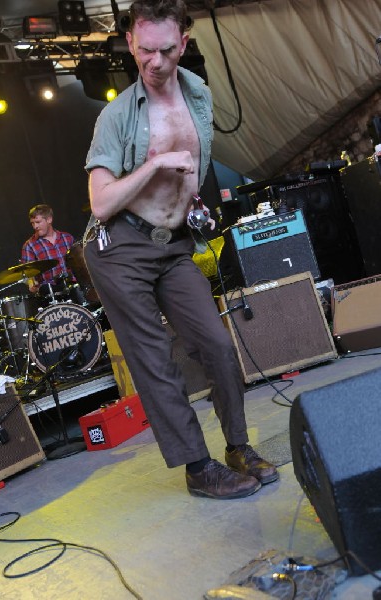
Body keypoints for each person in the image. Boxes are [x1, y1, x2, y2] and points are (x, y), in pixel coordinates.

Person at [83, 0, 278, 499]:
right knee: (155, 359)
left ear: (183, 45)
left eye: (166, 50)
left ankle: (238, 446)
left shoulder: (199, 96)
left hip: (172, 246)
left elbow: (191, 171)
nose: (154, 61)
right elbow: (101, 201)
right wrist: (154, 165)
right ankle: (198, 467)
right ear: (130, 42)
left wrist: (190, 207)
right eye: (144, 50)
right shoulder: (115, 116)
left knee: (215, 342)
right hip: (119, 248)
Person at [21, 204, 75, 295]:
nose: (35, 227)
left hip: (73, 285)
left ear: (49, 219)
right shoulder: (29, 245)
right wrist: (31, 283)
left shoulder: (67, 237)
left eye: (38, 222)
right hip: (50, 292)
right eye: (32, 223)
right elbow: (27, 274)